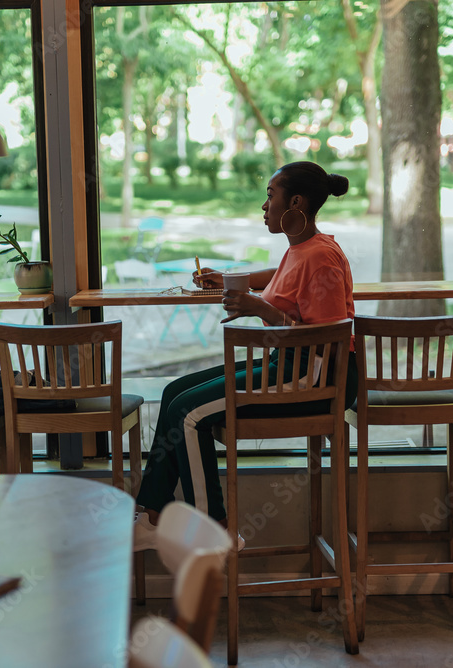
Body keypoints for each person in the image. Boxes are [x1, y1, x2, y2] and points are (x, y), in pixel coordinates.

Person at [133, 161, 357, 551]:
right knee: (173, 392)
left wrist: (261, 309)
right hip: (288, 364)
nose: (264, 206)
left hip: (317, 376)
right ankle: (150, 514)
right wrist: (231, 280)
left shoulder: (320, 256)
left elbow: (329, 337)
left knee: (188, 414)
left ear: (296, 202)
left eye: (271, 196)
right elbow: (282, 275)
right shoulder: (302, 248)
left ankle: (214, 527)